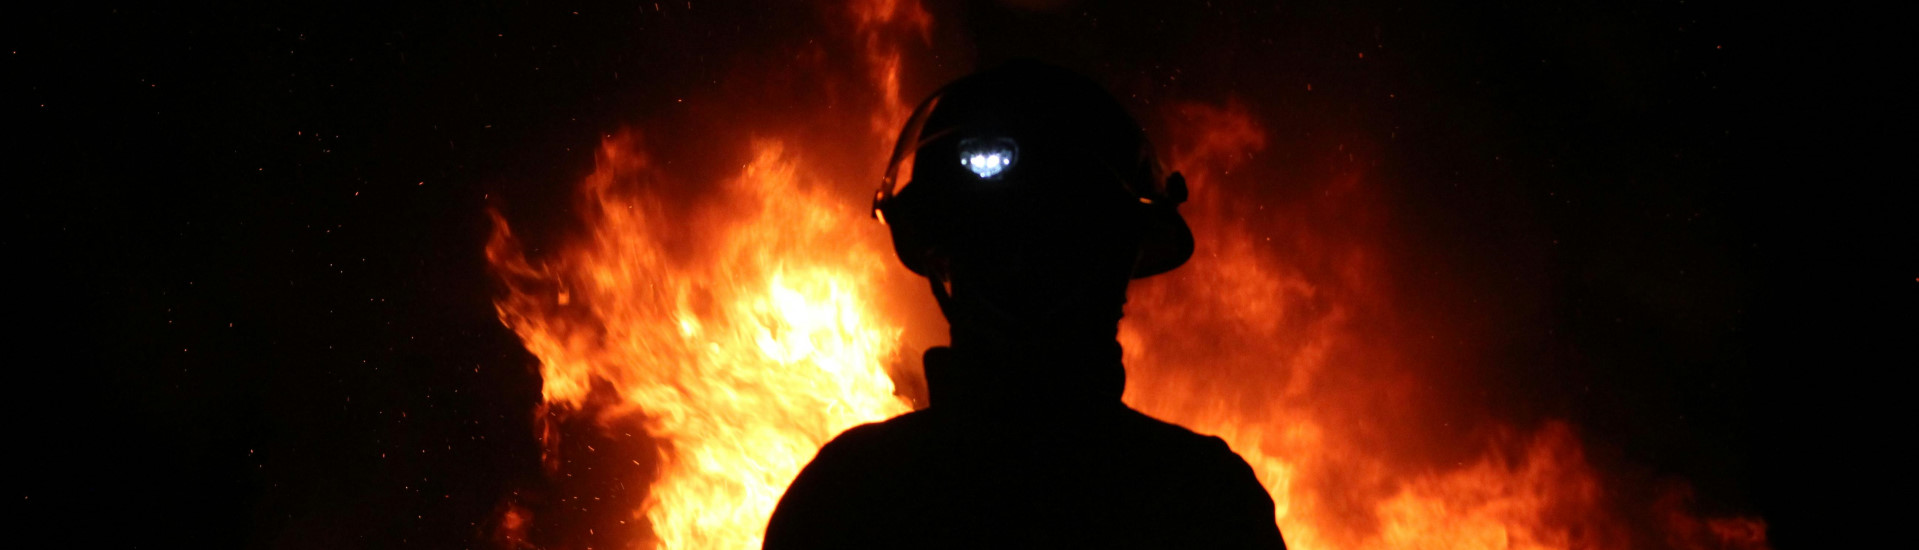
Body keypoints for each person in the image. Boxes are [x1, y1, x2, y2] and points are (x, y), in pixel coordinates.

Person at [763, 60, 1287, 549]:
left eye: (1052, 242)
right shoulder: (1198, 498)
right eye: (991, 243)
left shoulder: (853, 492)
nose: (1020, 267)